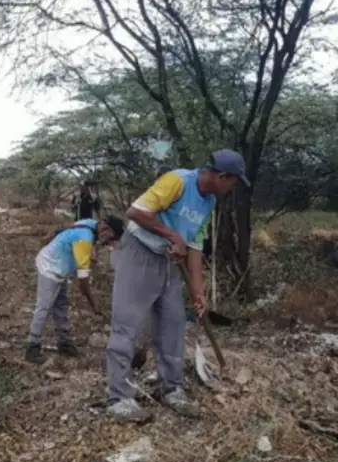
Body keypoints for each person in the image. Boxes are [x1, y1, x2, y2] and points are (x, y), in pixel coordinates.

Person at [105, 149, 249, 422]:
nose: (232, 188)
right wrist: (172, 235)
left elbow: (194, 246)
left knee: (173, 323)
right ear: (222, 176)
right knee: (127, 324)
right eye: (233, 182)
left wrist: (198, 291)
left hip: (171, 262)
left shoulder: (209, 202)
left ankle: (171, 388)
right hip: (140, 253)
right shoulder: (178, 181)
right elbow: (135, 212)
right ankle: (119, 398)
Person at [26, 216, 125, 364]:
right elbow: (83, 283)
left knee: (61, 305)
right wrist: (94, 305)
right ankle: (32, 347)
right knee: (44, 307)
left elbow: (66, 229)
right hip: (50, 267)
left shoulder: (91, 224)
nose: (109, 243)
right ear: (105, 228)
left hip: (59, 266)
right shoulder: (84, 240)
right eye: (111, 238)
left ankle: (64, 342)